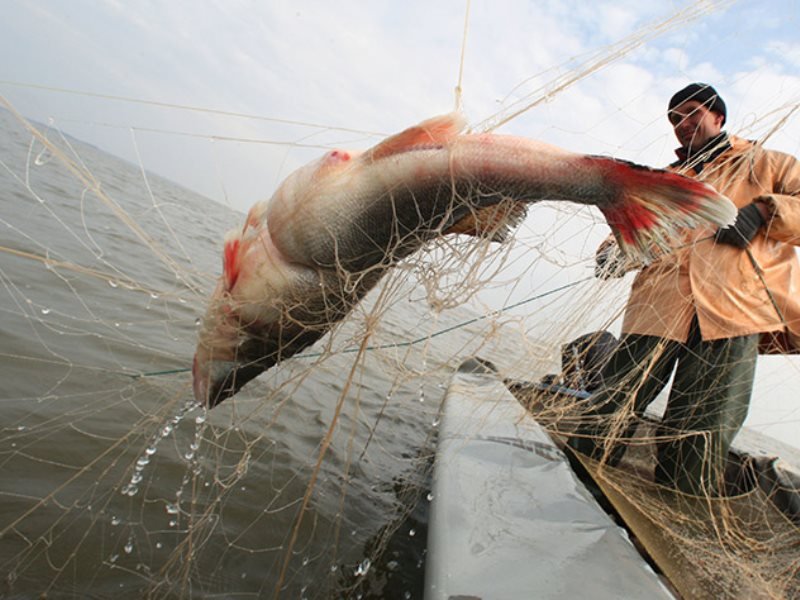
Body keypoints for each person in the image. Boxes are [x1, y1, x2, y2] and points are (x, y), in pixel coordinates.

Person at [567, 83, 800, 496]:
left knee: (702, 428)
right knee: (611, 404)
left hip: (732, 312)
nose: (682, 124)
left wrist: (765, 210)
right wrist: (612, 253)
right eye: (674, 119)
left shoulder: (768, 164)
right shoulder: (665, 180)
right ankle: (573, 484)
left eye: (691, 113)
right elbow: (630, 227)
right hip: (656, 308)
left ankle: (679, 505)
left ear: (718, 117)